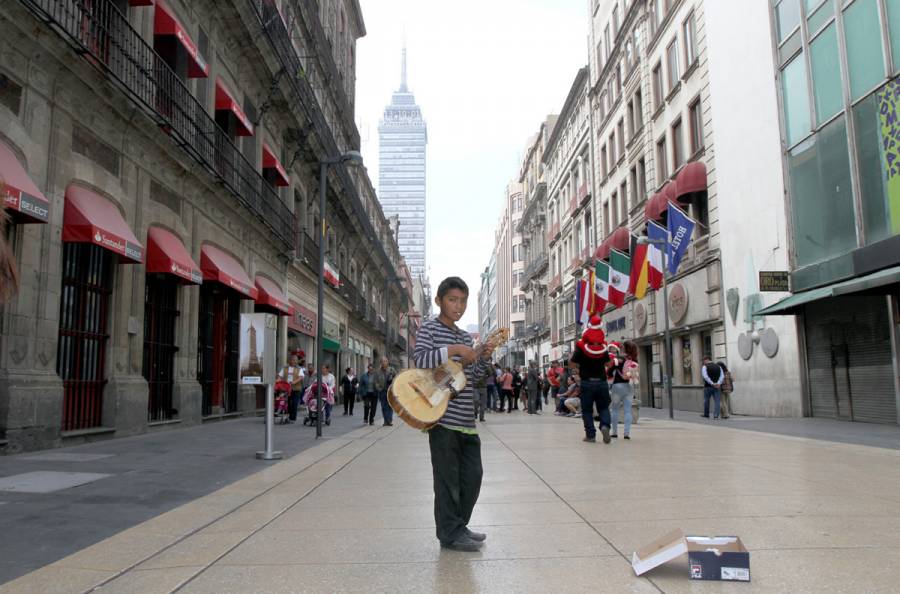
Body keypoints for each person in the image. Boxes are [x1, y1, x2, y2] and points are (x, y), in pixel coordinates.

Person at [414, 276, 497, 552]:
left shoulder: (465, 336)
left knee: (472, 476)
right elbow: (421, 359)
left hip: (466, 419)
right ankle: (449, 534)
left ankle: (459, 526)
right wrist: (455, 351)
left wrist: (481, 357)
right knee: (447, 480)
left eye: (462, 301)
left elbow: (471, 377)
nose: (458, 306)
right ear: (439, 301)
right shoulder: (429, 330)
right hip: (441, 419)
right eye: (452, 300)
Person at [570, 315, 612, 443]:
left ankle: (590, 435)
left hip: (587, 382)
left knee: (587, 410)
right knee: (603, 408)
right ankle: (605, 426)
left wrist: (578, 370)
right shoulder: (603, 347)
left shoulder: (581, 347)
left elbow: (572, 363)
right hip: (602, 381)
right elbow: (608, 364)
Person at [609, 341, 639, 440]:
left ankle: (614, 432)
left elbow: (609, 372)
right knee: (627, 411)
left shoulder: (617, 359)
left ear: (623, 348)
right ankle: (626, 433)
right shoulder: (634, 361)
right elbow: (634, 376)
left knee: (615, 410)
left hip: (617, 386)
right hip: (629, 387)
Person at [278, 353, 305, 423]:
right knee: (288, 403)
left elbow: (301, 377)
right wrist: (276, 382)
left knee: (295, 403)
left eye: (296, 360)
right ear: (289, 360)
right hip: (286, 388)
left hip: (296, 388)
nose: (294, 361)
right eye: (293, 360)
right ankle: (288, 416)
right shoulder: (285, 368)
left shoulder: (299, 369)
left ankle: (293, 418)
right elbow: (280, 377)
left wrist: (294, 382)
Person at [372, 357, 397, 426]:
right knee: (383, 406)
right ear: (381, 363)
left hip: (390, 391)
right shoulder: (377, 372)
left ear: (387, 362)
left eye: (385, 361)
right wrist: (379, 388)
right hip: (382, 391)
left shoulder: (392, 370)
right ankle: (386, 421)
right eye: (383, 361)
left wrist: (393, 383)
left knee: (390, 406)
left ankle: (389, 420)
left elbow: (397, 377)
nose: (384, 363)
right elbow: (375, 381)